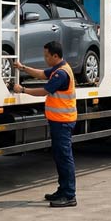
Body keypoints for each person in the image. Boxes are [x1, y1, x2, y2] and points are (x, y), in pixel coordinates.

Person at [13, 41, 78, 208]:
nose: (45, 58)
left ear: (55, 56)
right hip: (59, 121)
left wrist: (23, 90)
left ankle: (69, 195)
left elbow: (44, 91)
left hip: (63, 121)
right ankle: (62, 190)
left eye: (47, 56)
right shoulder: (58, 68)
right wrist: (23, 68)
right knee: (60, 157)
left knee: (64, 158)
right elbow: (42, 74)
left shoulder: (61, 74)